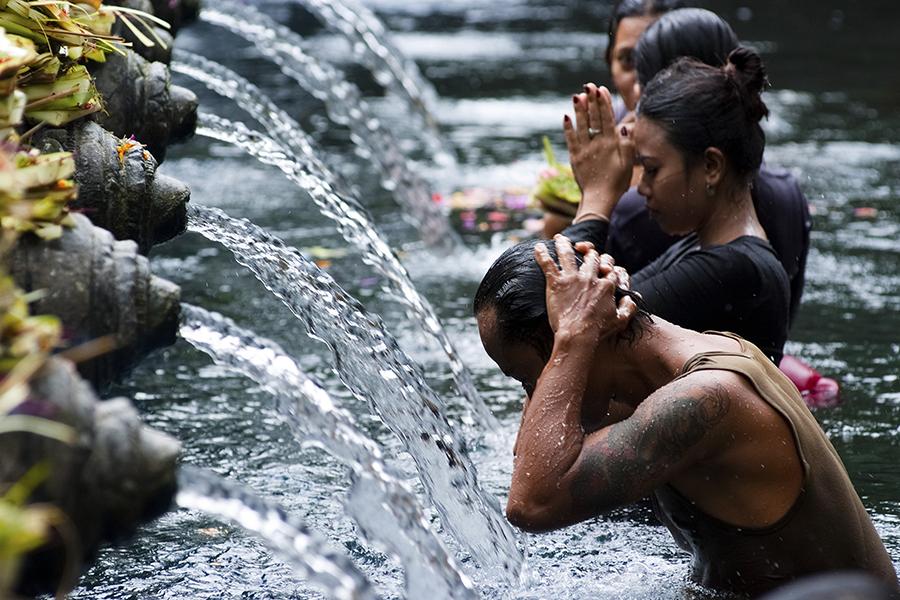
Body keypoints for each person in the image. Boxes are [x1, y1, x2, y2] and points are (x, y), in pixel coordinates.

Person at [473, 234, 898, 596]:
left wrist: (570, 338)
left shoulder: (708, 397)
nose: (535, 395)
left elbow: (531, 503)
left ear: (583, 336)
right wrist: (570, 342)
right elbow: (534, 456)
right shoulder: (659, 371)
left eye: (528, 378)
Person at [562, 48, 791, 364]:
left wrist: (596, 199)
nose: (641, 188)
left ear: (711, 167)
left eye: (651, 169)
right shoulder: (701, 250)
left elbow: (556, 320)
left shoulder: (735, 270)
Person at [607, 8, 811, 328]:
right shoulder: (785, 190)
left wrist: (596, 199)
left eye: (652, 169)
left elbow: (590, 319)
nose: (635, 94)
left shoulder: (647, 215)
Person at [538, 0, 684, 235]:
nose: (640, 82)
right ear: (609, 62)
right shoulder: (608, 122)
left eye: (659, 62)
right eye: (629, 61)